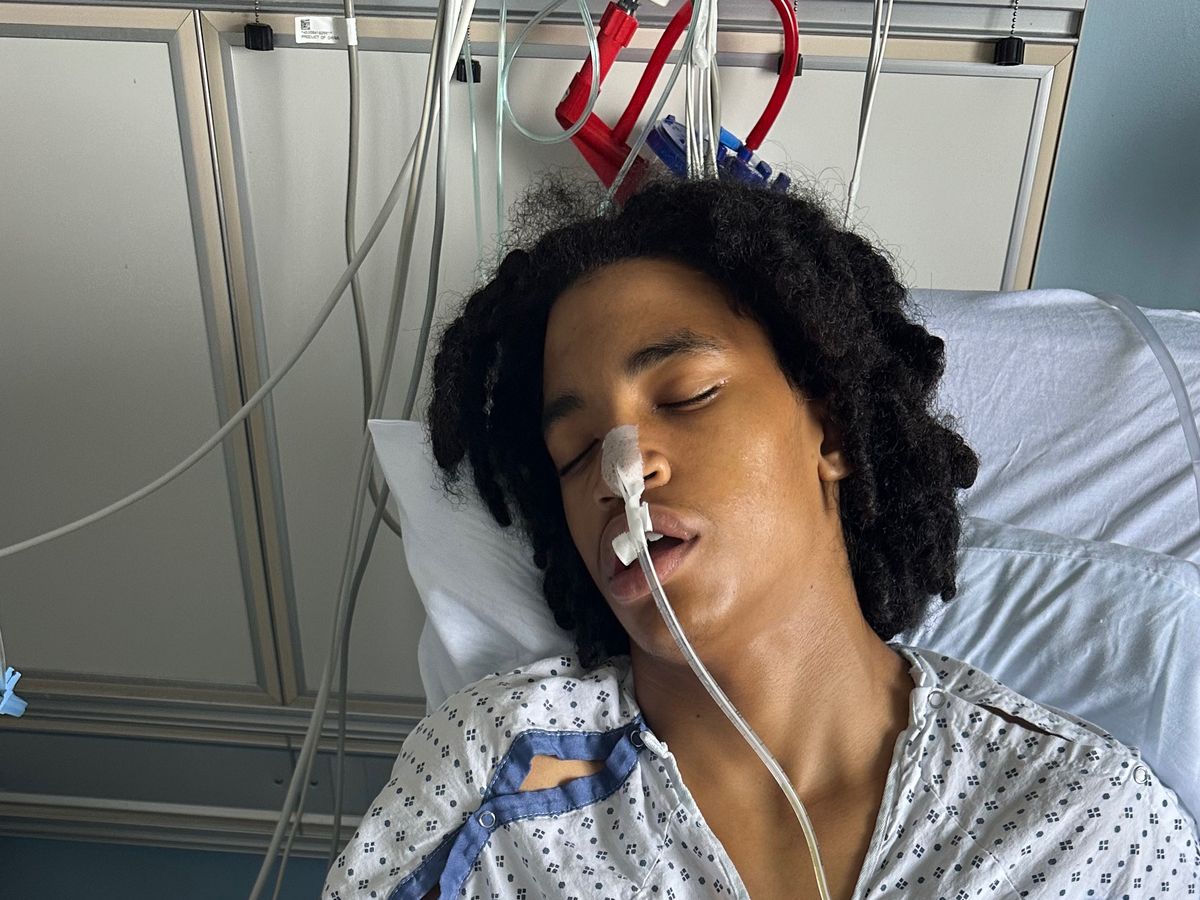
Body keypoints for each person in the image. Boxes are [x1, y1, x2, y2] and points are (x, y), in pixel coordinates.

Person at [323, 176, 1199, 899]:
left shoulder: (1083, 823)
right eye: (577, 450)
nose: (621, 471)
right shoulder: (493, 776)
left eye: (686, 395)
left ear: (834, 431)